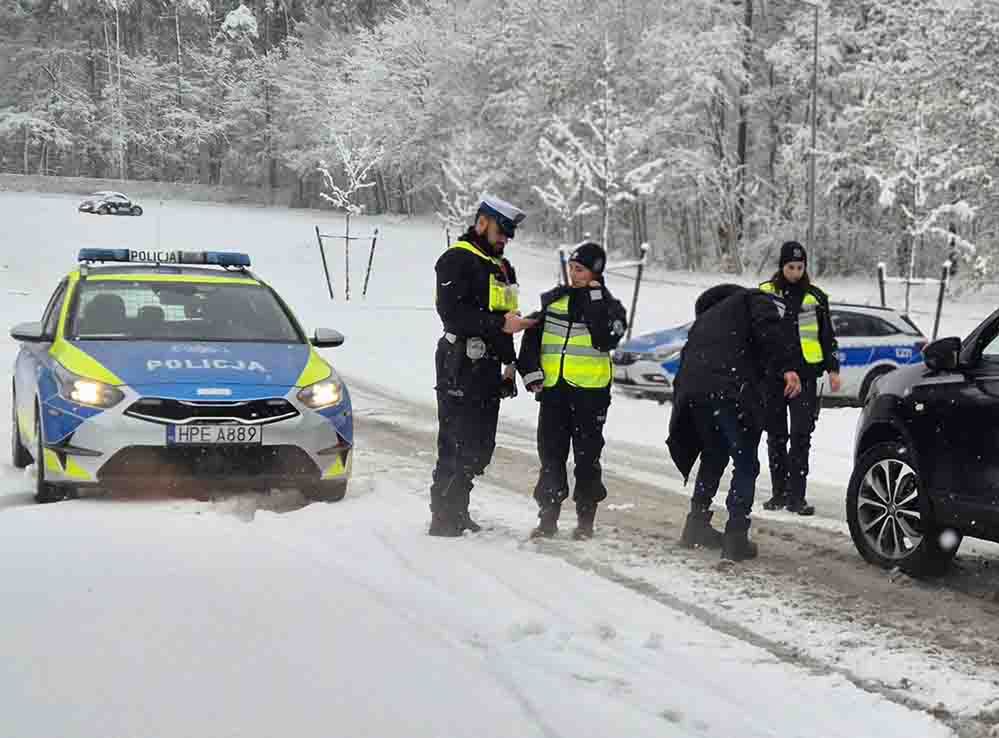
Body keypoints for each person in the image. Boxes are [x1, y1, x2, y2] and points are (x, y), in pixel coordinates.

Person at [667, 284, 800, 561]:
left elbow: (686, 359)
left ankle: (696, 525)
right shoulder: (752, 298)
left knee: (713, 454)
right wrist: (788, 367)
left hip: (695, 392)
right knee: (745, 460)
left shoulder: (705, 319)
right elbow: (771, 330)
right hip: (730, 390)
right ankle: (736, 536)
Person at [429, 195, 537, 537]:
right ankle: (444, 517)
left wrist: (509, 364)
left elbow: (505, 317)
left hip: (489, 364)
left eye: (509, 235)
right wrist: (498, 326)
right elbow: (453, 314)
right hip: (460, 361)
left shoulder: (502, 268)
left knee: (479, 445)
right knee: (456, 442)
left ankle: (459, 507)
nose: (505, 239)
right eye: (501, 231)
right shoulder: (456, 260)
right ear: (482, 223)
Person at [517, 242, 628, 539]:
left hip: (591, 395)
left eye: (580, 269)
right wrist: (531, 374)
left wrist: (592, 295)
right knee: (551, 456)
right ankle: (548, 518)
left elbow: (606, 339)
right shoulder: (554, 302)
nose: (573, 274)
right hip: (554, 392)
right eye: (572, 268)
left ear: (595, 272)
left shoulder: (610, 307)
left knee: (587, 458)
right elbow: (531, 340)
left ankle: (585, 520)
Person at [759, 241, 841, 516]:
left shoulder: (815, 297)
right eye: (790, 266)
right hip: (774, 377)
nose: (795, 271)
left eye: (800, 267)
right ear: (782, 267)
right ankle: (778, 494)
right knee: (776, 436)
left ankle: (797, 497)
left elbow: (827, 336)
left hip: (805, 377)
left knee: (801, 437)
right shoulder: (766, 294)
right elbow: (760, 336)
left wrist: (833, 368)